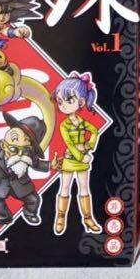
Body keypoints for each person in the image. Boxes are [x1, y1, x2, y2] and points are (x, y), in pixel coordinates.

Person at [52, 72, 102, 234]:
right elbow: (70, 145)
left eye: (68, 100)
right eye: (60, 101)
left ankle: (88, 218)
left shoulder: (82, 122)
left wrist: (89, 145)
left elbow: (94, 131)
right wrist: (82, 155)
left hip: (82, 160)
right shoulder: (64, 125)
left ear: (81, 102)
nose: (63, 105)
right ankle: (60, 217)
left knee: (84, 187)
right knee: (65, 187)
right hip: (70, 158)